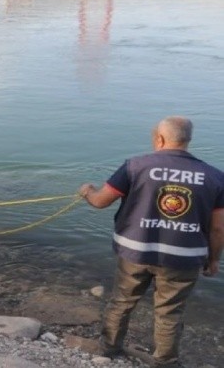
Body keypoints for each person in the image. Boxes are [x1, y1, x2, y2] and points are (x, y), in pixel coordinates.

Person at [78, 116, 224, 368]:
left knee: (122, 301)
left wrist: (87, 192)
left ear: (160, 139)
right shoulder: (214, 177)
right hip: (184, 257)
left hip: (135, 251)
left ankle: (110, 349)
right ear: (187, 140)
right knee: (169, 311)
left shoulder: (135, 166)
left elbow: (101, 201)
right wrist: (213, 260)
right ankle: (165, 362)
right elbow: (218, 228)